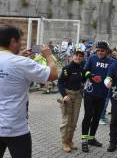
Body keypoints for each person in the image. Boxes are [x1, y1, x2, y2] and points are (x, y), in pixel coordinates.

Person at [0, 25, 58, 158]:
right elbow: (53, 74)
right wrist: (48, 55)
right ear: (13, 41)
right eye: (20, 41)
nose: (21, 44)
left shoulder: (20, 61)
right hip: (16, 129)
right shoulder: (21, 63)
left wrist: (19, 57)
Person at [81, 41, 115, 152]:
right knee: (88, 116)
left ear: (107, 51)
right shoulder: (92, 58)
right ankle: (84, 140)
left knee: (96, 117)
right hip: (90, 93)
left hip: (102, 94)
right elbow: (84, 71)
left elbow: (112, 76)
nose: (100, 52)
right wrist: (91, 77)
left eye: (102, 51)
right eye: (99, 50)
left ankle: (91, 138)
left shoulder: (112, 62)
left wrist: (111, 81)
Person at [57, 49, 85, 153]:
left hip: (77, 96)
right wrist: (64, 95)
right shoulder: (67, 68)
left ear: (83, 58)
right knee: (66, 121)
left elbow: (82, 82)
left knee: (74, 121)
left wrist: (81, 90)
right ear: (72, 57)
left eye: (80, 56)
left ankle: (70, 141)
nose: (78, 57)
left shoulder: (82, 69)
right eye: (76, 55)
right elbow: (60, 82)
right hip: (68, 96)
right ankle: (64, 142)